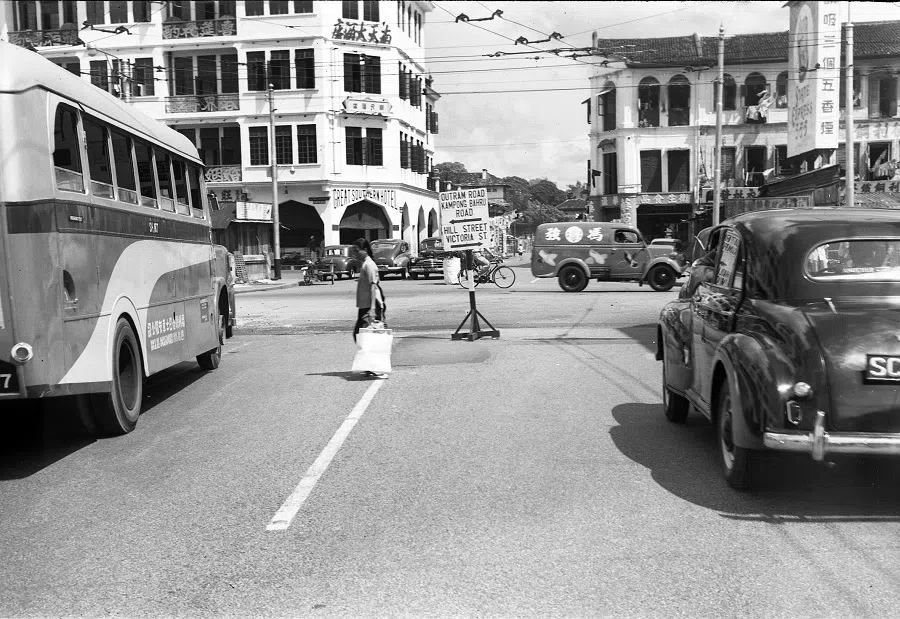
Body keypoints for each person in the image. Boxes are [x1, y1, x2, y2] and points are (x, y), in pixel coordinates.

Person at [351, 238, 386, 342]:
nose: (355, 254)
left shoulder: (369, 264)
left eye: (357, 251)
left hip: (368, 306)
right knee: (362, 335)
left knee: (362, 335)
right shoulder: (365, 264)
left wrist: (373, 309)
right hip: (364, 305)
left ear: (365, 250)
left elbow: (373, 287)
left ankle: (369, 356)